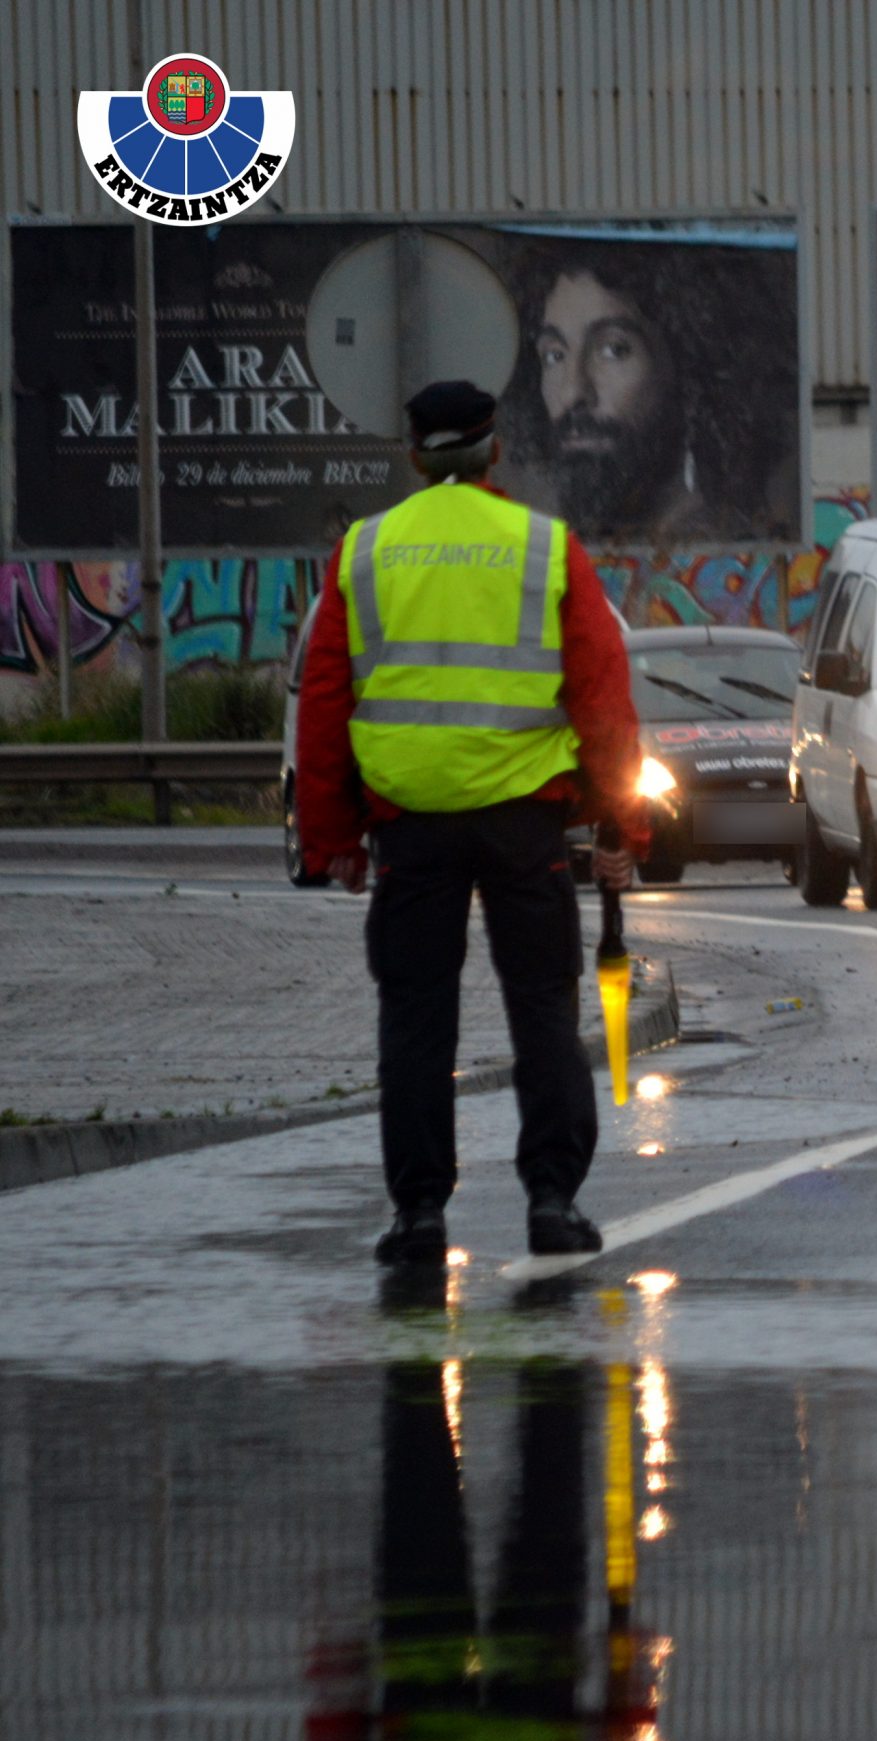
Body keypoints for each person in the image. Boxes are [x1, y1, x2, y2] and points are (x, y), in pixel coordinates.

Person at [295, 379, 651, 1263]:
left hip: (409, 827)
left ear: (414, 456)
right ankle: (552, 1202)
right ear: (496, 452)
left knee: (416, 1017)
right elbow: (604, 701)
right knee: (542, 1009)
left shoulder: (364, 554)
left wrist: (332, 837)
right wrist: (619, 831)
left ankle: (418, 1214)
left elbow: (325, 703)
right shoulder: (545, 548)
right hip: (523, 824)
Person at [504, 238, 798, 545]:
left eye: (614, 350)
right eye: (554, 355)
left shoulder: (729, 542)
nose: (573, 392)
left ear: (691, 363)